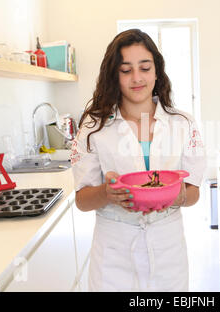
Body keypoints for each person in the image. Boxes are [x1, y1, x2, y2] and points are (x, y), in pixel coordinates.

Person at [71, 29, 206, 292]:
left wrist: (179, 196)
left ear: (157, 72)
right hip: (113, 255)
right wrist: (107, 193)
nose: (136, 78)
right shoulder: (94, 126)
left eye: (144, 67)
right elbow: (82, 200)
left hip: (168, 249)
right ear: (114, 75)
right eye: (125, 70)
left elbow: (194, 193)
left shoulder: (182, 123)